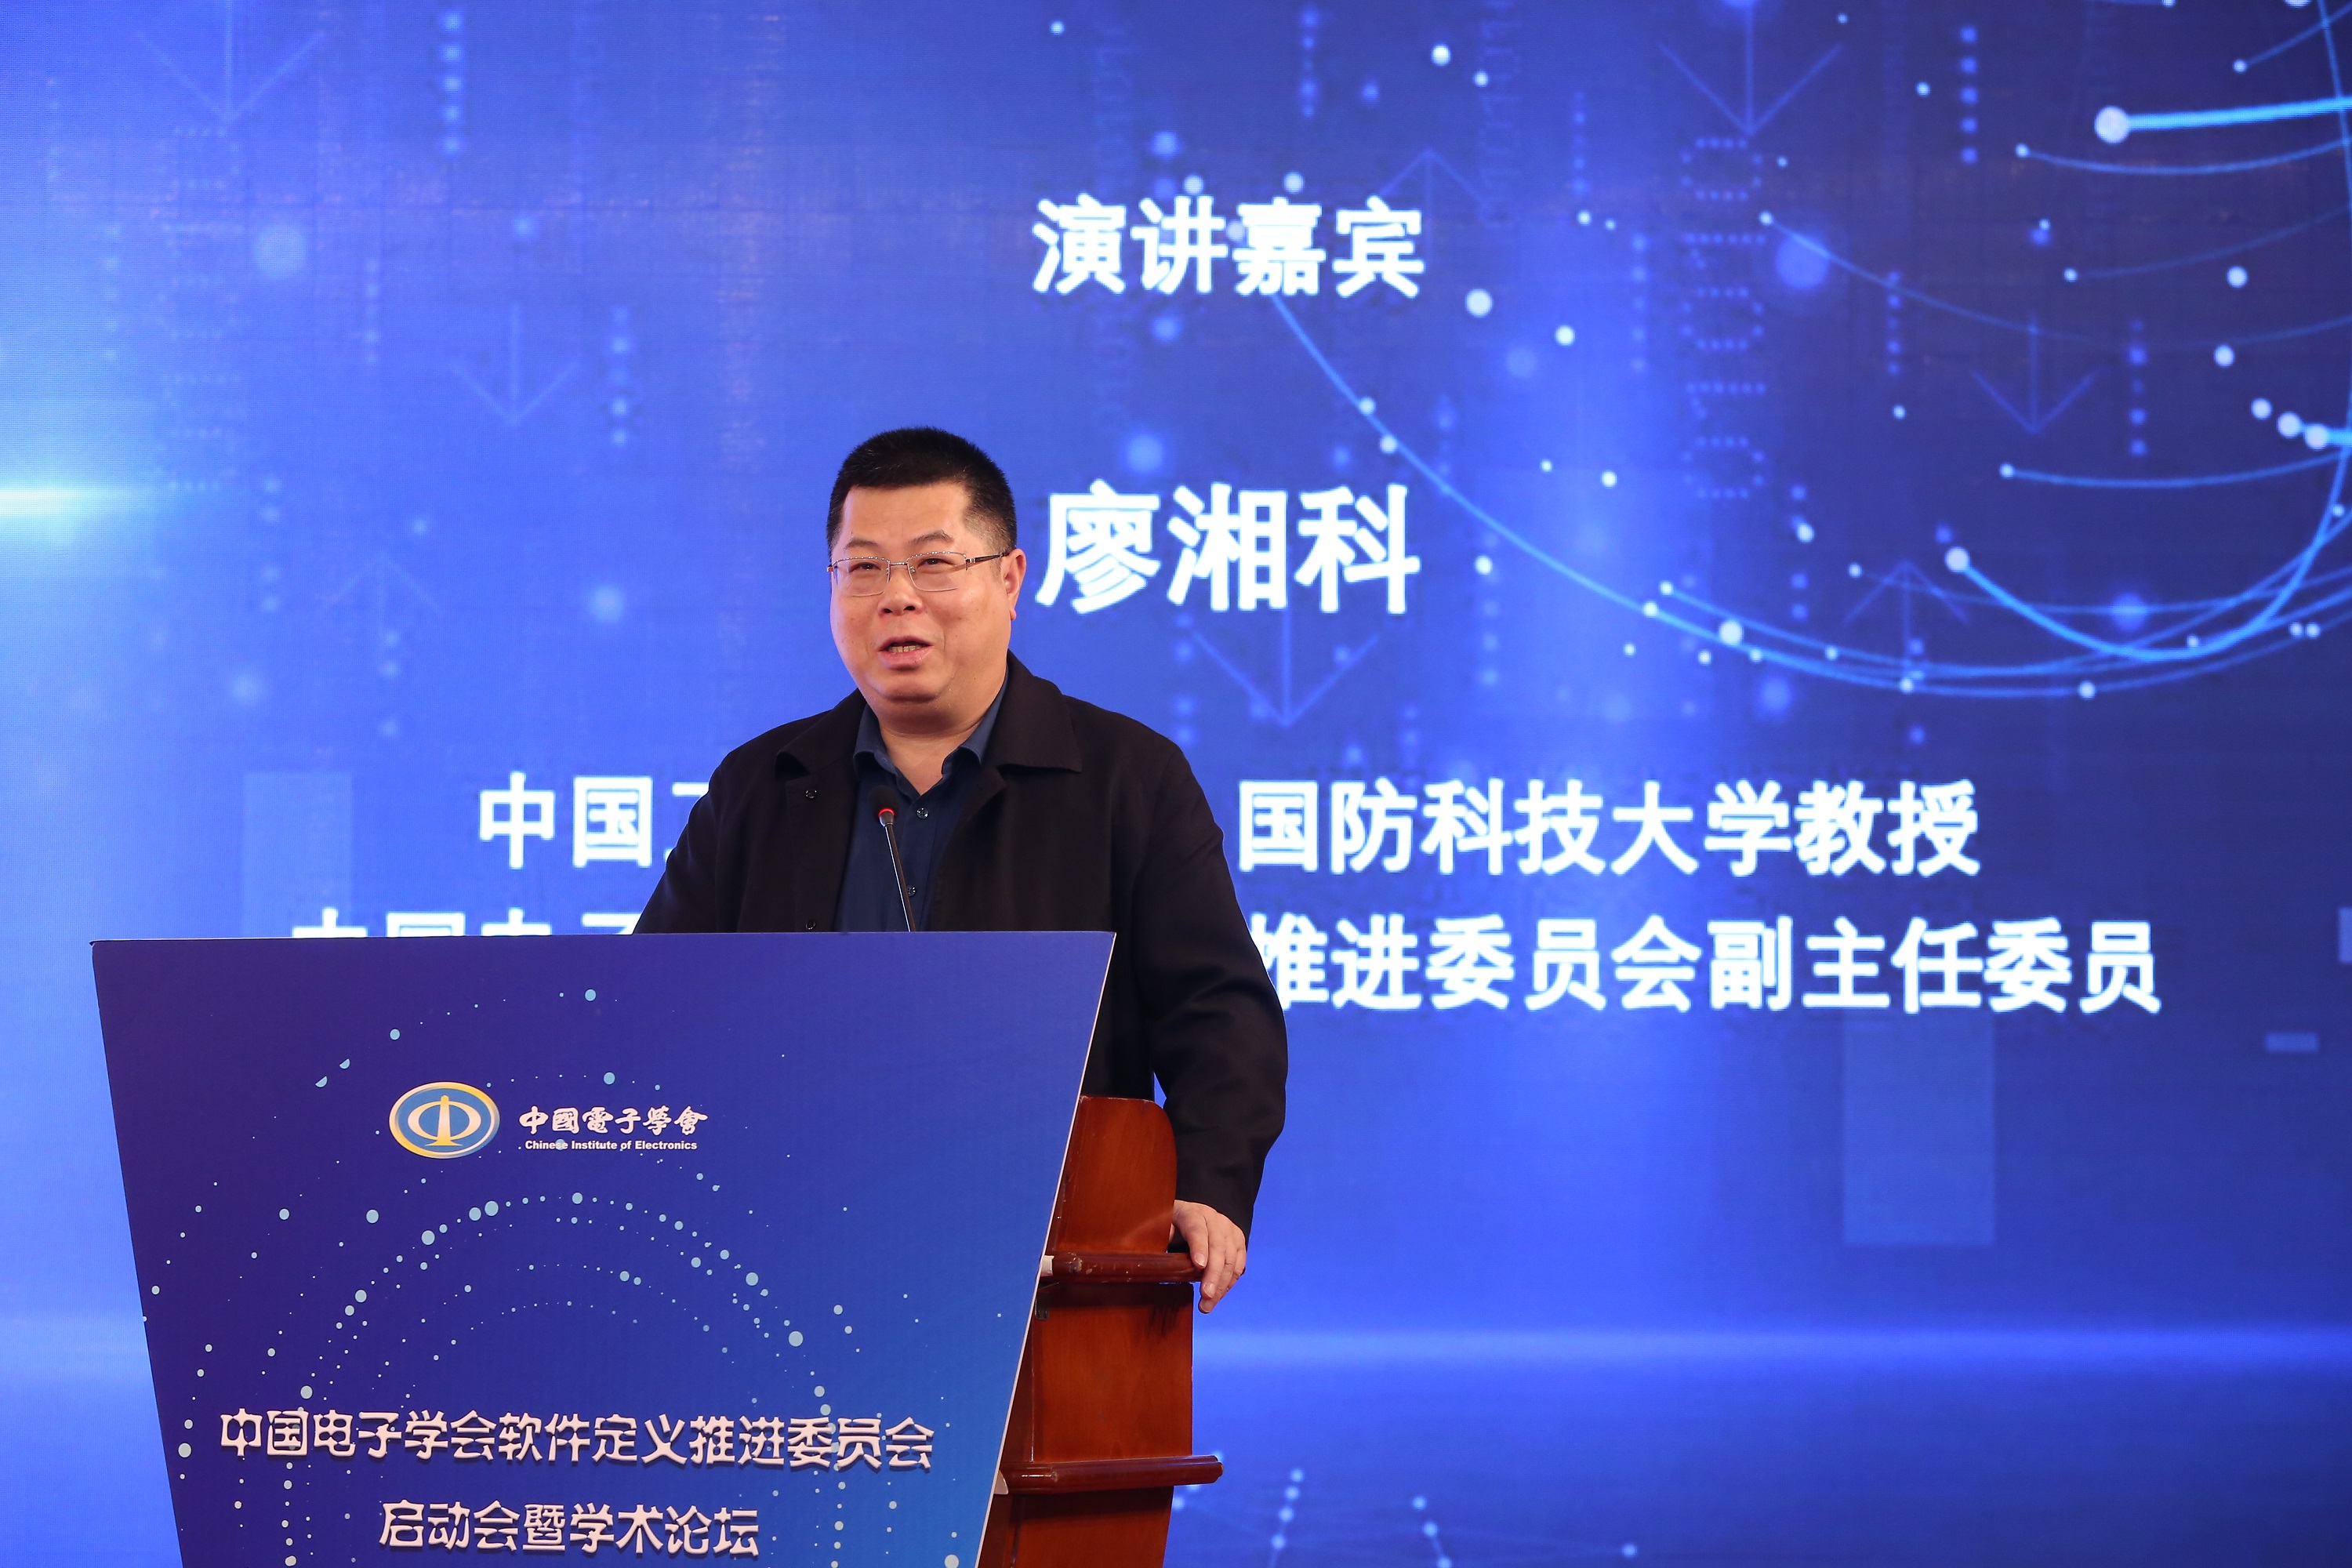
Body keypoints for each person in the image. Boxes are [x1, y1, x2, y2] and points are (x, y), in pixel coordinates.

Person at [637, 426, 1286, 1311]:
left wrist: (1209, 1182)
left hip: (1046, 1271)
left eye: (934, 564)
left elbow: (1221, 1013)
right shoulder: (762, 786)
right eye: (863, 568)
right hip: (792, 1265)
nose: (896, 598)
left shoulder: (1126, 779)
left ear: (1010, 579)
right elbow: (656, 1008)